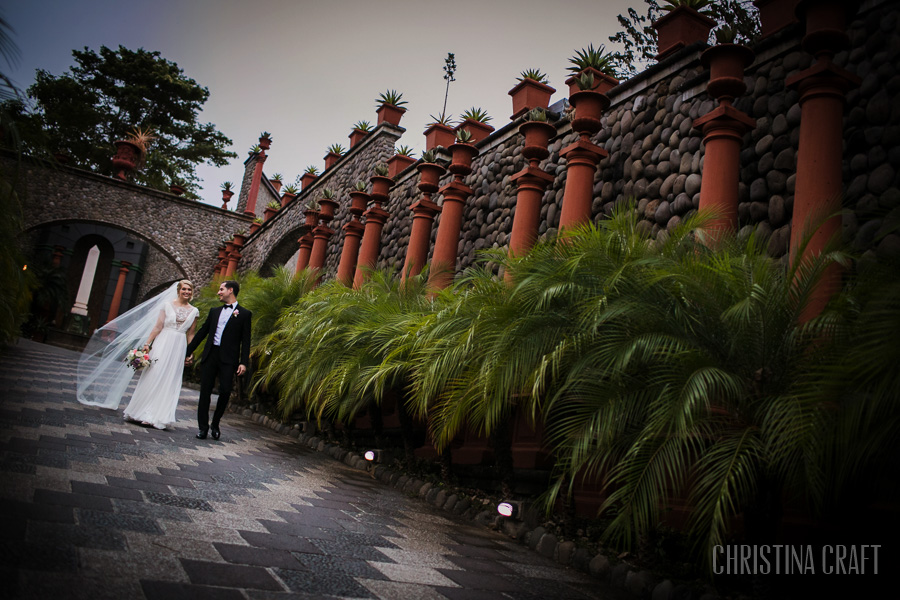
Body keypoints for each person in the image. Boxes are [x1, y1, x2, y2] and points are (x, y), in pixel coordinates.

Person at [76, 280, 198, 431]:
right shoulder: (166, 305)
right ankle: (141, 411)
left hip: (179, 347)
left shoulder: (194, 311)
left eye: (189, 289)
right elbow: (157, 327)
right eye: (184, 289)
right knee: (153, 375)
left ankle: (159, 416)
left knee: (170, 379)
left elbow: (191, 334)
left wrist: (190, 352)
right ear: (178, 290)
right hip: (163, 343)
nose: (187, 292)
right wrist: (147, 344)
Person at [185, 280, 251, 440]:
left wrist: (243, 362)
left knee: (225, 391)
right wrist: (187, 351)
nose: (218, 292)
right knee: (205, 392)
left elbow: (246, 340)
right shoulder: (214, 312)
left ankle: (215, 424)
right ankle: (203, 427)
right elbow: (202, 333)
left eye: (221, 289)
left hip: (229, 359)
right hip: (211, 355)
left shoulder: (244, 314)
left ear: (230, 290)